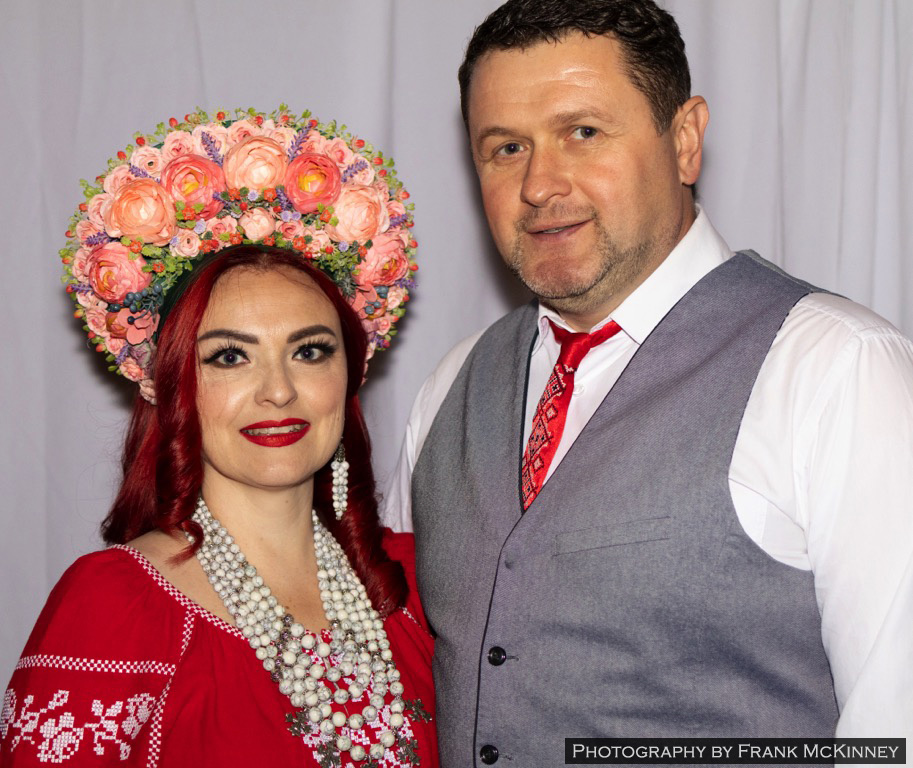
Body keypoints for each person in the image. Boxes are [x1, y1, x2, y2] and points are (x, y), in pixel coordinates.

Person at [386, 1, 913, 765]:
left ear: (685, 140)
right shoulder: (450, 386)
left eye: (582, 132)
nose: (538, 184)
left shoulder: (837, 369)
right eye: (505, 147)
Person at [1, 108, 437, 767]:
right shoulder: (115, 605)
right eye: (230, 357)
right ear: (169, 383)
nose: (278, 390)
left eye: (310, 351)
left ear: (350, 372)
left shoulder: (418, 582)